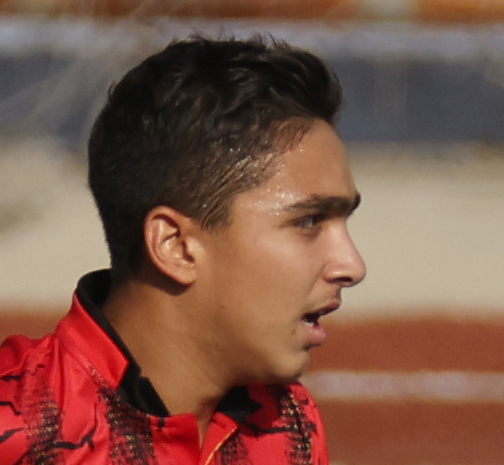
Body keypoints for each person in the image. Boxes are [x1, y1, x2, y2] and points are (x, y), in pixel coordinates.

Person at [0, 35, 365, 464]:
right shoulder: (18, 428)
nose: (352, 265)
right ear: (175, 246)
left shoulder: (289, 424)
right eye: (308, 221)